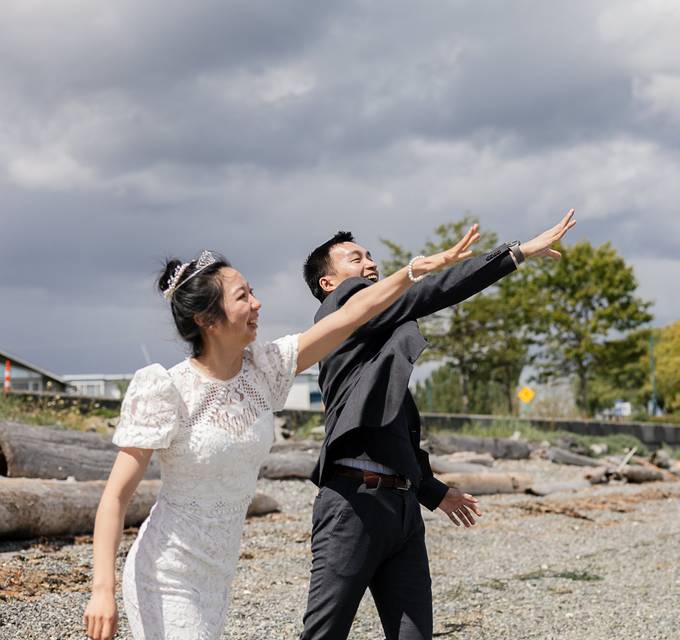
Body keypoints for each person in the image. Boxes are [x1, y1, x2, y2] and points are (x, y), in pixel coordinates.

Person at [81, 229, 480, 640]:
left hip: (219, 572)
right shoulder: (165, 389)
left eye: (252, 291)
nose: (257, 303)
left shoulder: (264, 369)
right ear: (206, 319)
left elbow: (349, 316)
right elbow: (115, 497)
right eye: (242, 297)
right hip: (166, 571)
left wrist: (411, 272)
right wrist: (101, 591)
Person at [298, 210, 577, 640]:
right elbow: (432, 293)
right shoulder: (342, 311)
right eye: (355, 259)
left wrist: (431, 490)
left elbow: (387, 423)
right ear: (328, 284)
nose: (369, 264)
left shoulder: (377, 334)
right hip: (353, 506)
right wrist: (515, 254)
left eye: (370, 256)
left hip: (403, 510)